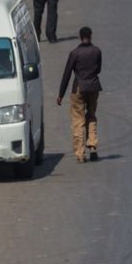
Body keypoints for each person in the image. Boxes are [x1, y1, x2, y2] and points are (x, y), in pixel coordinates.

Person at [57, 26, 103, 163]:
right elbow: (98, 69)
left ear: (79, 36)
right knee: (92, 116)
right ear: (91, 36)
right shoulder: (97, 51)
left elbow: (66, 74)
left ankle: (80, 153)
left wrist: (61, 94)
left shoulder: (74, 53)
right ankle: (93, 146)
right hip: (94, 87)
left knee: (78, 121)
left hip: (79, 88)